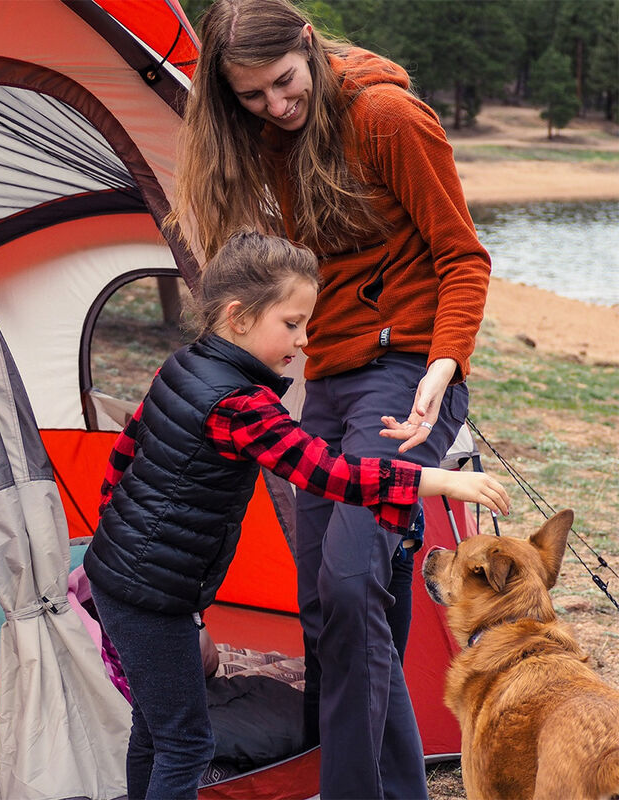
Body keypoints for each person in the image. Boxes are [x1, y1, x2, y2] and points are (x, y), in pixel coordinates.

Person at [165, 2, 494, 797]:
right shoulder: (276, 139)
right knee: (332, 604)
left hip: (406, 379)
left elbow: (464, 256)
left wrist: (441, 372)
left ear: (307, 45)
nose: (275, 106)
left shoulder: (386, 116)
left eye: (283, 83)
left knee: (351, 585)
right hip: (333, 383)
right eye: (251, 97)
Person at [84, 231, 508, 800]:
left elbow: (123, 455)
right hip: (152, 595)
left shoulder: (182, 366)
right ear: (237, 316)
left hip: (119, 575)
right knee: (186, 743)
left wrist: (115, 540)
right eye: (291, 323)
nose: (305, 340)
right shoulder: (239, 405)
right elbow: (329, 473)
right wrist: (441, 480)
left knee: (156, 729)